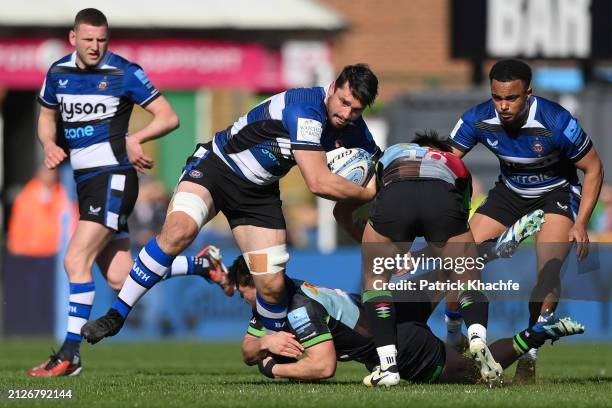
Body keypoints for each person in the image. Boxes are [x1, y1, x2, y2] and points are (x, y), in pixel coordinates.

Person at [81, 64, 381, 344]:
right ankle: (116, 315)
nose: (346, 114)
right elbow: (318, 183)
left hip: (257, 193)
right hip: (217, 167)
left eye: (355, 110)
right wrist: (366, 195)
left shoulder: (355, 129)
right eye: (343, 102)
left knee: (272, 285)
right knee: (178, 231)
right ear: (332, 89)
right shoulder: (305, 108)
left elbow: (378, 170)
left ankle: (269, 350)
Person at [27, 8, 229, 377]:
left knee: (75, 259)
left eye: (101, 40)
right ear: (73, 39)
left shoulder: (124, 72)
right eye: (87, 39)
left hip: (114, 178)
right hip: (86, 182)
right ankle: (201, 264)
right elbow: (45, 115)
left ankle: (70, 355)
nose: (94, 46)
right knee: (122, 278)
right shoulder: (58, 72)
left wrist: (135, 137)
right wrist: (48, 144)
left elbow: (169, 116)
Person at [446, 59, 603, 382]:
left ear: (528, 94)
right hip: (510, 192)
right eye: (497, 98)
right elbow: (442, 161)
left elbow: (594, 168)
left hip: (556, 194)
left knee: (547, 269)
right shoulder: (477, 118)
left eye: (512, 98)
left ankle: (530, 354)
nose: (503, 106)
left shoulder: (556, 121)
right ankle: (454, 334)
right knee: (459, 254)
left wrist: (581, 222)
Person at [231, 256, 585, 385]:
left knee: (472, 373)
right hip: (386, 307)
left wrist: (270, 369)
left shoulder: (296, 308)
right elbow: (249, 346)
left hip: (395, 344)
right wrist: (264, 342)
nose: (251, 302)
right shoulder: (280, 291)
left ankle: (535, 334)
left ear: (252, 284)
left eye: (244, 292)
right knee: (451, 270)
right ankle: (495, 247)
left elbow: (323, 368)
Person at [352, 132, 499, 386]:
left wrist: (402, 249)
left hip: (396, 193)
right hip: (442, 198)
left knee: (375, 280)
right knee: (467, 275)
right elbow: (460, 214)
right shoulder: (456, 163)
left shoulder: (392, 152)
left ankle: (388, 366)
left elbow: (380, 195)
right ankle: (477, 337)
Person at [7, 165, 76, 257]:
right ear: (38, 174)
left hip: (54, 253)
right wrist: (16, 248)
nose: (50, 175)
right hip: (29, 253)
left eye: (52, 172)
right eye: (46, 171)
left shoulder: (64, 195)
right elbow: (18, 224)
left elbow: (72, 222)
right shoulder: (26, 196)